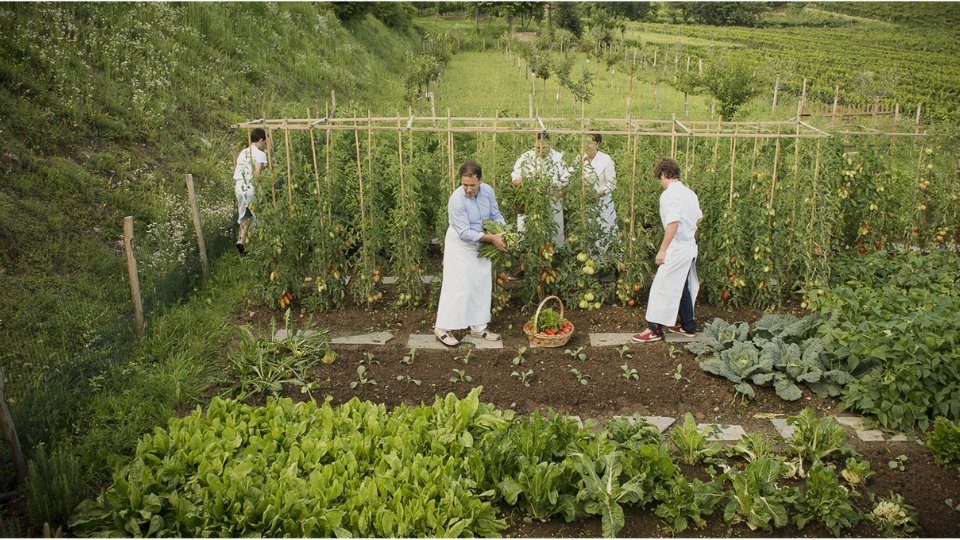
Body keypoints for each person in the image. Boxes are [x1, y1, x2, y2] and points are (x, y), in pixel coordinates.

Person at [434, 160, 507, 347]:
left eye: (472, 185)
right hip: (461, 245)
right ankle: (442, 327)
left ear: (480, 181)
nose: (468, 189)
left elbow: (496, 214)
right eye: (464, 184)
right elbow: (465, 233)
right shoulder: (456, 200)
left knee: (481, 284)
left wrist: (503, 231)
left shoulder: (488, 191)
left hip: (482, 243)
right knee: (459, 286)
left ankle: (478, 327)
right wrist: (492, 238)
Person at [633, 157, 703, 343]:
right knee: (682, 287)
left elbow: (672, 224)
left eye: (660, 178)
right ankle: (688, 326)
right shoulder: (690, 193)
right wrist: (688, 229)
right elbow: (698, 219)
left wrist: (662, 250)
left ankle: (654, 329)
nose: (661, 182)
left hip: (677, 248)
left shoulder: (669, 195)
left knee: (660, 287)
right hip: (690, 247)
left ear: (664, 174)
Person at [511, 132, 569, 250]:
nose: (540, 150)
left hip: (552, 201)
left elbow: (567, 179)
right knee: (528, 230)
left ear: (550, 145)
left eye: (544, 148)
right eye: (537, 148)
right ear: (534, 144)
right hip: (530, 202)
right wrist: (528, 183)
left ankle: (553, 260)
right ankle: (526, 255)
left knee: (553, 232)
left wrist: (552, 184)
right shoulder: (525, 158)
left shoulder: (559, 158)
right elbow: (515, 179)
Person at [577, 132, 618, 259]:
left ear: (597, 144)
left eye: (590, 142)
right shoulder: (579, 159)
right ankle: (591, 263)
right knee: (589, 233)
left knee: (605, 232)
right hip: (586, 203)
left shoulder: (606, 159)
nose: (587, 146)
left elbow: (612, 183)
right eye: (585, 142)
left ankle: (605, 265)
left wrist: (598, 193)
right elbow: (571, 177)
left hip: (603, 203)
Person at [233, 128, 268, 254]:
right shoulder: (260, 154)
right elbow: (257, 175)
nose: (264, 145)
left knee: (245, 215)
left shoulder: (243, 152)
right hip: (251, 188)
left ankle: (241, 240)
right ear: (260, 140)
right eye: (264, 142)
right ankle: (260, 248)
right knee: (261, 216)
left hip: (239, 187)